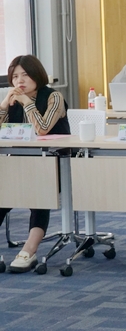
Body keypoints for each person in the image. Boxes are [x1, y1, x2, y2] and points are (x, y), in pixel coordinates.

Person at [0, 55, 70, 273]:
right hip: (20, 162)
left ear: (37, 75)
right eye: (15, 76)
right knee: (2, 193)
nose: (19, 81)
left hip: (54, 163)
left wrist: (27, 103)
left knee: (38, 190)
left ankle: (29, 250)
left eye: (25, 75)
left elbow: (42, 129)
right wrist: (4, 104)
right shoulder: (13, 100)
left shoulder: (54, 97)